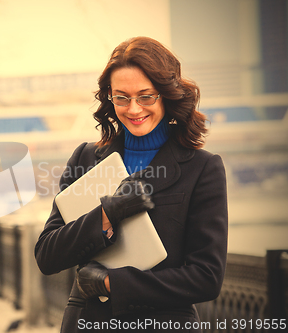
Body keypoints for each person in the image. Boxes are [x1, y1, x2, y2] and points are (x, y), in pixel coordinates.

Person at [34, 36, 228, 332]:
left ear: (167, 94)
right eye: (121, 97)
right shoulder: (85, 158)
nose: (134, 109)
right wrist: (106, 214)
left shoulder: (203, 168)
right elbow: (47, 256)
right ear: (109, 98)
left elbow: (206, 278)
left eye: (146, 96)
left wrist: (112, 283)